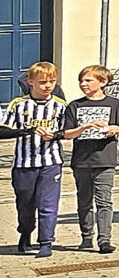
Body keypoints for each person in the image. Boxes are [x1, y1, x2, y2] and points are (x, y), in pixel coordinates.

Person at [59, 65, 119, 256]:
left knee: (104, 201)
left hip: (105, 160)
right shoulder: (75, 106)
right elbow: (67, 134)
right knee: (84, 201)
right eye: (81, 81)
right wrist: (86, 126)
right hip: (82, 161)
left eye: (88, 80)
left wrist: (115, 129)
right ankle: (86, 236)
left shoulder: (114, 104)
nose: (83, 84)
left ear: (103, 82)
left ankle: (104, 240)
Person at [3, 62, 65, 258]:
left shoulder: (60, 105)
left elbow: (68, 131)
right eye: (43, 82)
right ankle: (25, 231)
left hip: (51, 162)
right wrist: (26, 131)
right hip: (24, 164)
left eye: (52, 82)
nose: (48, 86)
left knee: (48, 204)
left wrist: (56, 135)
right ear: (30, 82)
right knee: (25, 204)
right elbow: (2, 130)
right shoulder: (18, 105)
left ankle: (46, 243)